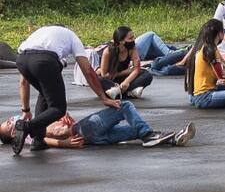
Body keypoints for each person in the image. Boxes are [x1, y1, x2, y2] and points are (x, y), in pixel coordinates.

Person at [11, 25, 119, 155]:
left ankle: (38, 140)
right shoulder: (71, 35)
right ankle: (27, 127)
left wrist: (26, 110)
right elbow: (88, 70)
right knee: (58, 108)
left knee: (45, 95)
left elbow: (23, 82)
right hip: (44, 61)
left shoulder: (39, 34)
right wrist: (103, 97)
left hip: (22, 60)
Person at [1, 103, 194, 149]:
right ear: (13, 137)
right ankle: (149, 135)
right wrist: (66, 143)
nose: (12, 123)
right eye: (8, 128)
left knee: (136, 130)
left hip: (93, 138)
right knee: (123, 106)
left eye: (8, 121)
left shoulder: (35, 119)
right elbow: (43, 138)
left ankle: (175, 138)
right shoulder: (26, 133)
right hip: (84, 131)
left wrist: (65, 117)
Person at [184, 19, 225, 110]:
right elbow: (222, 77)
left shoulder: (209, 47)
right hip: (206, 97)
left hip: (198, 95)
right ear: (220, 33)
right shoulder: (211, 50)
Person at [99, 26, 155, 99]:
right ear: (121, 41)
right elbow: (104, 75)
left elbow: (136, 69)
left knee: (147, 75)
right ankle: (128, 92)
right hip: (110, 80)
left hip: (122, 78)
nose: (133, 40)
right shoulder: (108, 51)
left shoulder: (132, 48)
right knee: (98, 79)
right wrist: (116, 75)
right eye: (130, 38)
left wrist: (126, 81)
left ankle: (118, 92)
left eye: (133, 37)